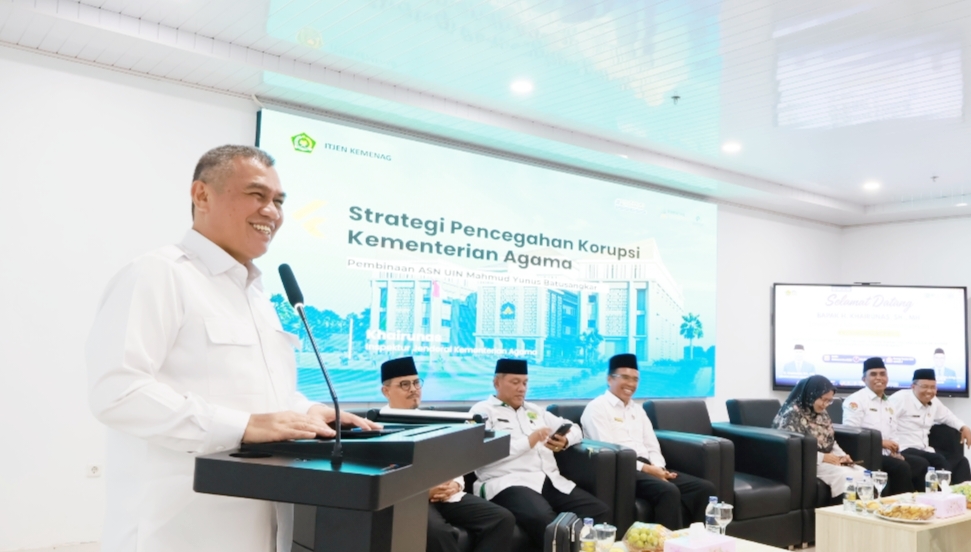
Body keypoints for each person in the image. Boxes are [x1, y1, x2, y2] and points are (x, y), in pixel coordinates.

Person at [85, 145, 377, 552]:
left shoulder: (256, 295)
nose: (272, 212)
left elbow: (262, 394)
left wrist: (306, 411)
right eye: (257, 195)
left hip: (261, 526)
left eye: (278, 201)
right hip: (176, 532)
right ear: (202, 195)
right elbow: (118, 393)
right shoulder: (157, 274)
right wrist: (240, 426)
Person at [378, 357, 515, 552]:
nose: (413, 389)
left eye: (416, 383)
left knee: (502, 519)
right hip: (408, 499)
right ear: (386, 391)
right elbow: (384, 474)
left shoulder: (435, 419)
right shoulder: (377, 426)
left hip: (445, 494)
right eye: (404, 384)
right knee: (438, 533)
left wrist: (455, 484)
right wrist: (424, 492)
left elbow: (452, 458)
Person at [470, 359, 610, 548]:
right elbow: (484, 454)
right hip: (507, 482)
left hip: (547, 479)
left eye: (525, 383)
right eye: (515, 382)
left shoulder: (534, 410)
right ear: (497, 383)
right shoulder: (482, 412)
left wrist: (565, 440)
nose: (522, 388)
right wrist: (530, 440)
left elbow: (574, 428)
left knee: (598, 511)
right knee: (543, 518)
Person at [581, 354, 716, 529]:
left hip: (649, 468)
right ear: (609, 379)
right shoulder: (597, 408)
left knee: (704, 488)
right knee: (668, 491)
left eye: (635, 379)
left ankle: (699, 541)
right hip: (622, 471)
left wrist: (659, 468)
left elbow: (652, 446)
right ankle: (667, 543)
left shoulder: (638, 410)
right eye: (625, 377)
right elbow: (611, 453)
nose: (631, 384)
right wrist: (648, 469)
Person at [841, 357, 929, 493]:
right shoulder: (856, 400)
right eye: (873, 374)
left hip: (887, 455)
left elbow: (893, 433)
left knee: (921, 463)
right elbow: (851, 434)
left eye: (882, 374)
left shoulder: (889, 403)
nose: (879, 378)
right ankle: (902, 502)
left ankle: (923, 501)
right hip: (865, 455)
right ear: (864, 379)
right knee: (901, 467)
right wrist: (880, 443)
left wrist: (896, 452)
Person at [772, 376, 864, 497]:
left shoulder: (822, 413)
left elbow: (830, 441)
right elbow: (792, 450)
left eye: (829, 401)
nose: (825, 405)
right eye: (823, 399)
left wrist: (842, 456)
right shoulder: (791, 415)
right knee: (845, 476)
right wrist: (822, 457)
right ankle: (843, 508)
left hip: (821, 460)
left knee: (862, 472)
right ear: (811, 395)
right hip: (805, 463)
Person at [890, 368, 971, 483]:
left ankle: (965, 492)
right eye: (924, 387)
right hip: (904, 447)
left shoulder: (934, 401)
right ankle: (942, 493)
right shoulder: (900, 399)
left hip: (924, 448)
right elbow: (885, 420)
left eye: (933, 387)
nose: (929, 391)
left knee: (960, 461)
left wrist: (964, 427)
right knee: (938, 460)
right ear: (913, 386)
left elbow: (947, 416)